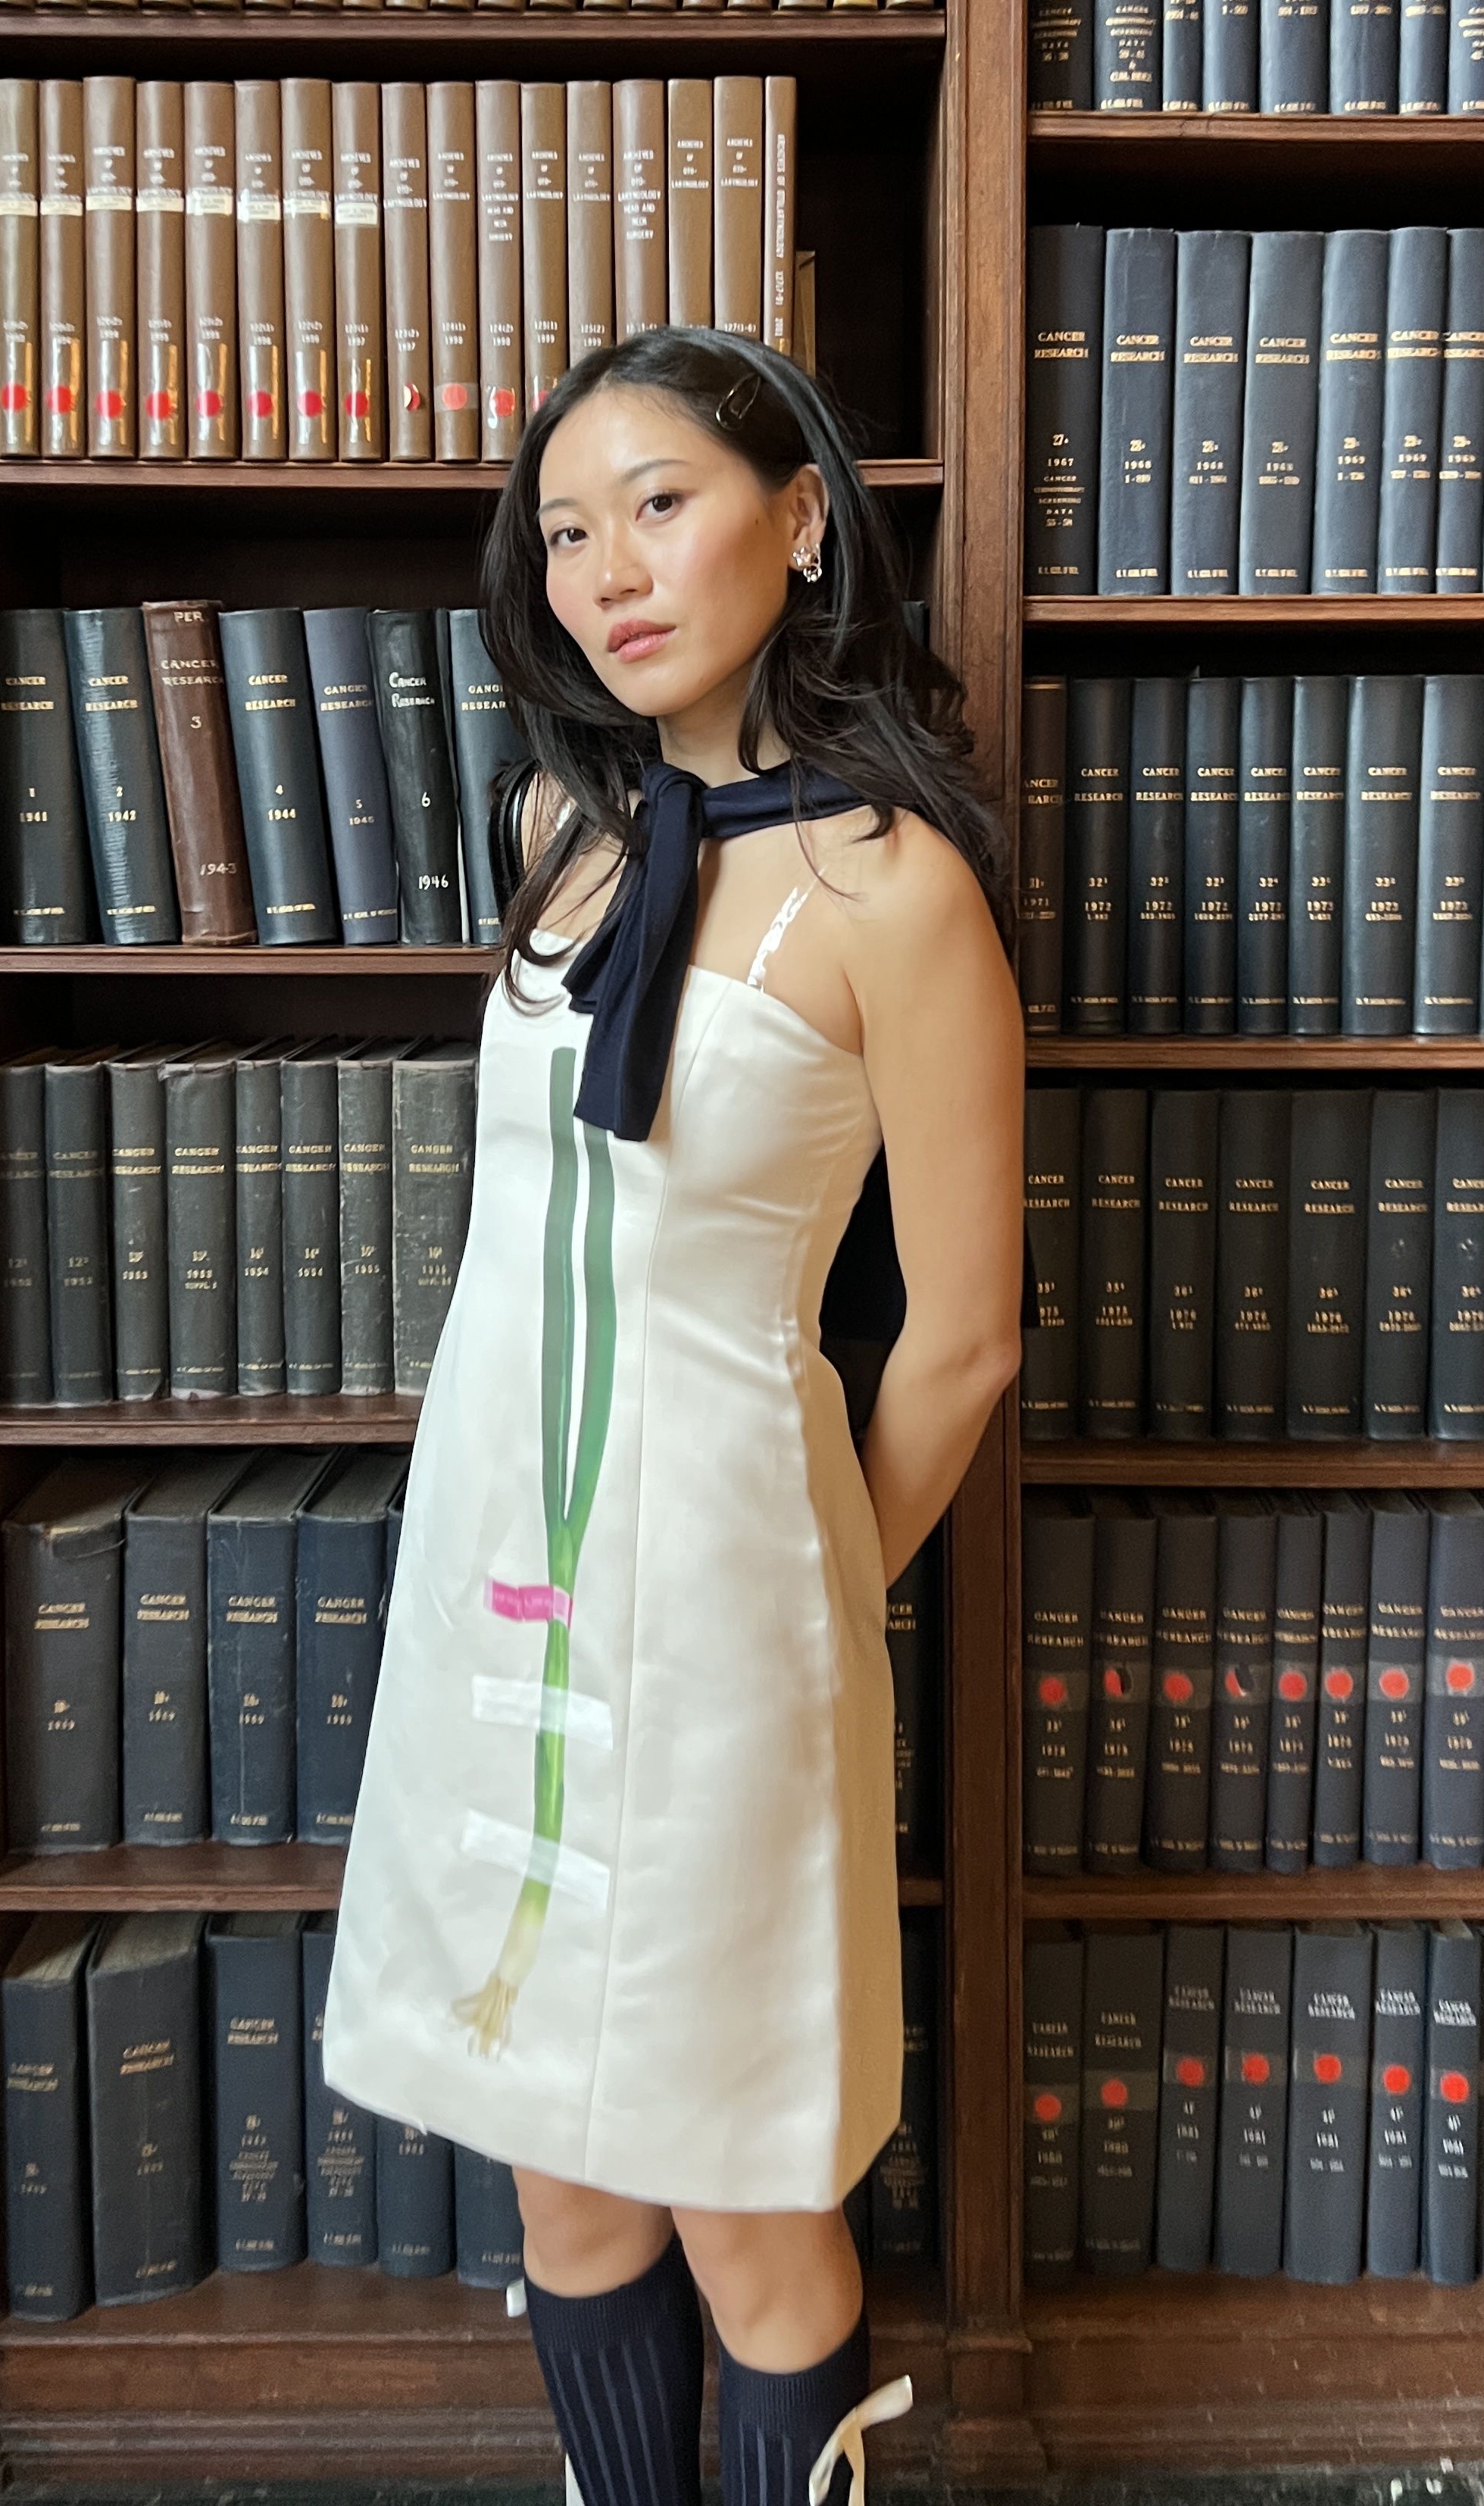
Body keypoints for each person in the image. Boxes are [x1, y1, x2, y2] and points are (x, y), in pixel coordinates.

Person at [323, 327, 1024, 2506]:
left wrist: (800, 1595)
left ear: (799, 518)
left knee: (738, 2181)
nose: (606, 570)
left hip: (728, 1605)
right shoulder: (559, 820)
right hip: (498, 1587)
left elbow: (964, 1342)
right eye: (563, 532)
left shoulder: (896, 892)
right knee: (563, 2171)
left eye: (658, 504)